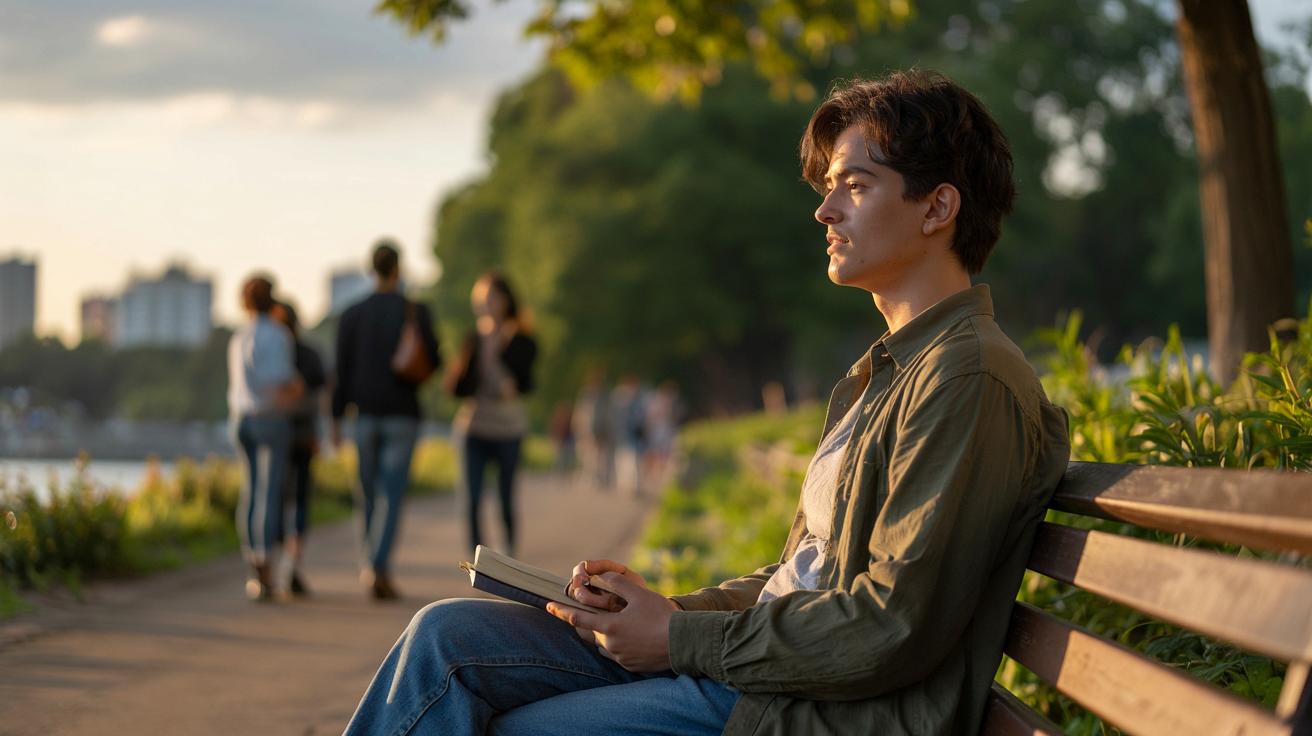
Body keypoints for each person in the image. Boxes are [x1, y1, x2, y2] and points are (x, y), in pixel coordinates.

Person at [343, 70, 1071, 736]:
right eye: (828, 187)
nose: (824, 211)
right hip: (767, 674)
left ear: (938, 206)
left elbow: (890, 626)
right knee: (446, 637)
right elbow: (802, 576)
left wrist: (676, 640)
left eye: (855, 185)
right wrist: (661, 614)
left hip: (815, 709)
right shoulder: (888, 373)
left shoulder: (967, 378)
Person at [331, 240, 440, 600]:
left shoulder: (352, 314)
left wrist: (334, 418)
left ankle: (370, 563)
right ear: (398, 268)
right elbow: (433, 360)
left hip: (361, 417)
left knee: (366, 494)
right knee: (392, 494)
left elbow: (341, 372)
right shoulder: (414, 311)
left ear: (371, 269)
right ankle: (378, 566)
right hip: (402, 415)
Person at [445, 272, 538, 556]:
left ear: (505, 300)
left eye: (492, 298)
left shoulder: (522, 338)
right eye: (482, 299)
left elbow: (526, 382)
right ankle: (478, 559)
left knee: (505, 497)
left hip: (508, 428)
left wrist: (508, 375)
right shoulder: (473, 338)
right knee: (471, 498)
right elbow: (457, 386)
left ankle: (509, 556)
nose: (486, 304)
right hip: (473, 426)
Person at [226, 275, 301, 602]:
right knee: (269, 495)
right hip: (271, 419)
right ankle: (264, 562)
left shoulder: (238, 336)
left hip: (241, 419)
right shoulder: (278, 335)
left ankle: (251, 561)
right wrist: (296, 389)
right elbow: (279, 381)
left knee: (249, 491)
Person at [270, 300, 326, 596]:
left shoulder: (276, 355)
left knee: (280, 500)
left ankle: (286, 561)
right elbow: (319, 397)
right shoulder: (310, 354)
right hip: (302, 435)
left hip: (284, 437)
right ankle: (292, 563)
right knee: (297, 502)